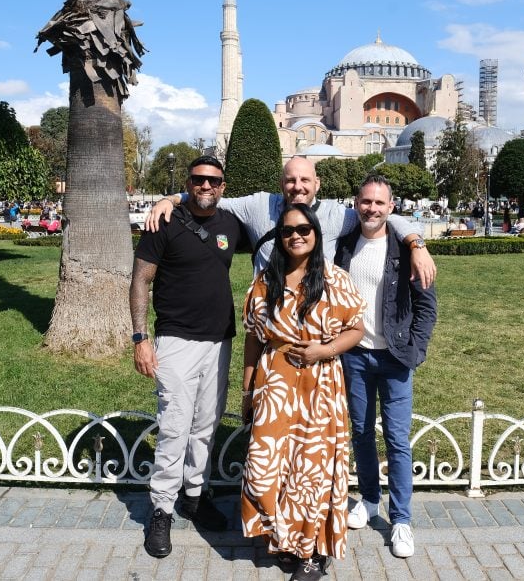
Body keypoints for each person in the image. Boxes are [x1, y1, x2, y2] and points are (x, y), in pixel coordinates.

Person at [239, 203, 366, 581]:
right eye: (288, 230)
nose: (295, 236)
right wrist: (247, 390)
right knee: (266, 467)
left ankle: (311, 553)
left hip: (320, 383)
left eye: (303, 230)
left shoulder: (334, 278)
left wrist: (323, 351)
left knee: (312, 469)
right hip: (275, 381)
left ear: (315, 234)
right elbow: (253, 337)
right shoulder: (267, 280)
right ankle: (284, 538)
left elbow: (356, 328)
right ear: (279, 237)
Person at [129, 155, 243, 558]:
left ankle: (195, 496)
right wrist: (140, 338)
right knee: (175, 426)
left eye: (213, 180)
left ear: (223, 186)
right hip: (176, 340)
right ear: (189, 182)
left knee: (206, 425)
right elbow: (140, 279)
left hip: (219, 341)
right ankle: (161, 508)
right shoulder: (164, 222)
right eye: (197, 180)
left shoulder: (231, 223)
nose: (205, 186)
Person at [334, 175, 437, 559]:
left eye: (380, 203)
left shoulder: (406, 249)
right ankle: (369, 499)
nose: (372, 209)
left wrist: (416, 350)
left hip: (394, 357)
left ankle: (401, 520)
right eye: (366, 201)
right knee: (361, 433)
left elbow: (426, 307)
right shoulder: (344, 245)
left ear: (391, 208)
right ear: (356, 203)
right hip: (355, 355)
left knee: (396, 439)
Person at [146, 156, 436, 288]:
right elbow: (210, 197)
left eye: (305, 180)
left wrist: (417, 245)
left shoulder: (336, 215)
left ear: (317, 184)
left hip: (317, 322)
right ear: (281, 183)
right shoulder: (259, 205)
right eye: (291, 180)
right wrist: (171, 199)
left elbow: (384, 216)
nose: (298, 187)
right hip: (268, 318)